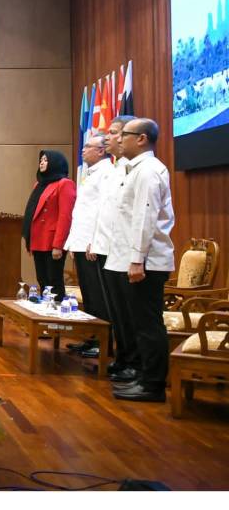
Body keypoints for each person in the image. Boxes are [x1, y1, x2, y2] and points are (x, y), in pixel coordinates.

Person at [106, 118, 175, 403]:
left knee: (148, 325)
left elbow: (144, 218)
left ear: (142, 139)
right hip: (137, 259)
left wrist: (136, 260)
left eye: (125, 134)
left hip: (147, 262)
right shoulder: (134, 170)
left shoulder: (148, 171)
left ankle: (152, 384)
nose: (119, 139)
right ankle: (143, 376)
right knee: (139, 324)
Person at [90, 115, 135, 379]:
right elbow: (103, 212)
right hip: (107, 248)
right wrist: (96, 240)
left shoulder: (136, 169)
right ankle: (123, 357)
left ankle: (133, 363)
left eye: (115, 132)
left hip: (124, 252)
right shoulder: (117, 169)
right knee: (116, 311)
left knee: (127, 313)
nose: (108, 137)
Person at [63, 133, 114, 356]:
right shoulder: (91, 173)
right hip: (81, 242)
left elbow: (103, 210)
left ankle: (103, 343)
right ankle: (92, 337)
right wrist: (73, 242)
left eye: (88, 146)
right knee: (89, 295)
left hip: (93, 244)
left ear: (101, 151)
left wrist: (94, 240)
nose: (83, 150)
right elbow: (82, 212)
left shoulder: (107, 173)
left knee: (98, 295)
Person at [22, 150, 76, 300]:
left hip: (52, 241)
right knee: (42, 279)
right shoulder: (39, 184)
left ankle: (57, 309)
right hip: (38, 239)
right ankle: (45, 310)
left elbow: (65, 216)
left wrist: (58, 245)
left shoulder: (65, 183)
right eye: (41, 160)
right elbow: (32, 213)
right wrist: (29, 240)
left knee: (54, 280)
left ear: (55, 163)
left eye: (46, 160)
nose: (42, 162)